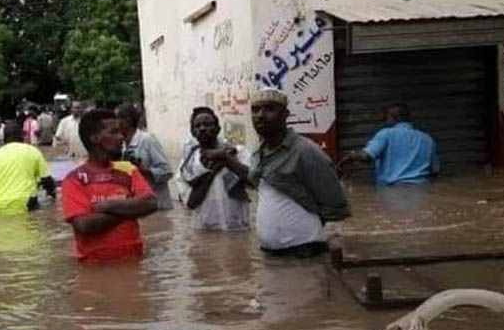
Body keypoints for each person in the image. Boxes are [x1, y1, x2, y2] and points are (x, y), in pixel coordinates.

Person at [248, 89, 350, 257]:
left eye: (269, 109)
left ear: (285, 114)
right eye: (255, 110)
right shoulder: (257, 152)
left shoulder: (305, 151)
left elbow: (335, 203)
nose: (260, 115)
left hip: (304, 249)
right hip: (271, 251)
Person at [61, 109, 158, 262]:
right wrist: (131, 209)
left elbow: (151, 203)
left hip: (134, 263)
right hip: (94, 267)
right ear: (94, 138)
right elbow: (85, 226)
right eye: (114, 132)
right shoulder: (74, 180)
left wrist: (109, 206)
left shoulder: (128, 169)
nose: (121, 137)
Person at [179, 107, 250, 231]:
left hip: (237, 228)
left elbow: (252, 179)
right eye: (197, 126)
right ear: (193, 132)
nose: (202, 128)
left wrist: (225, 157)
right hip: (205, 229)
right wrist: (213, 169)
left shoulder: (238, 153)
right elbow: (191, 203)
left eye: (207, 124)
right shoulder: (188, 164)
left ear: (218, 129)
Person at [338, 103, 439, 186]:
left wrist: (350, 156)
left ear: (394, 118)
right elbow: (434, 172)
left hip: (393, 191)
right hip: (422, 191)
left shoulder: (386, 134)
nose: (385, 121)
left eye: (386, 117)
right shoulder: (427, 139)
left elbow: (367, 157)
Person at [0, 122, 56, 213]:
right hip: (24, 202)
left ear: (4, 139)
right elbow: (46, 179)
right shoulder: (32, 151)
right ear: (22, 135)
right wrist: (52, 195)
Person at [116, 103, 174, 210]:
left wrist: (145, 171)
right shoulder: (121, 146)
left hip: (158, 206)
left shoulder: (147, 140)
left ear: (127, 121)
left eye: (117, 120)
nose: (114, 125)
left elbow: (167, 171)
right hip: (138, 206)